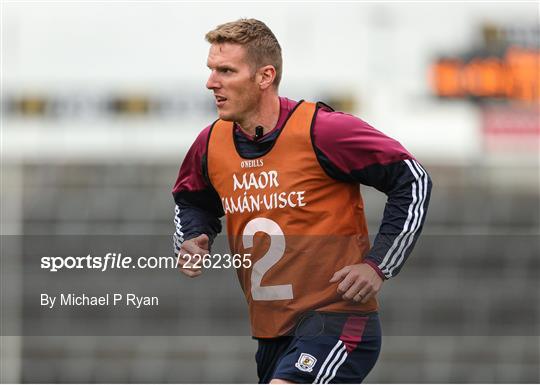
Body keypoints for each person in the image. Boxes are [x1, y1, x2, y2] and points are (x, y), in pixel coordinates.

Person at [172, 18, 432, 384]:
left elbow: (413, 180)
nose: (211, 82)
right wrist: (195, 236)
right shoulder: (210, 142)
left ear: (265, 76)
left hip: (336, 321)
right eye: (211, 69)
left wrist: (378, 265)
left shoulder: (324, 130)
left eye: (226, 70)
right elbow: (191, 199)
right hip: (271, 332)